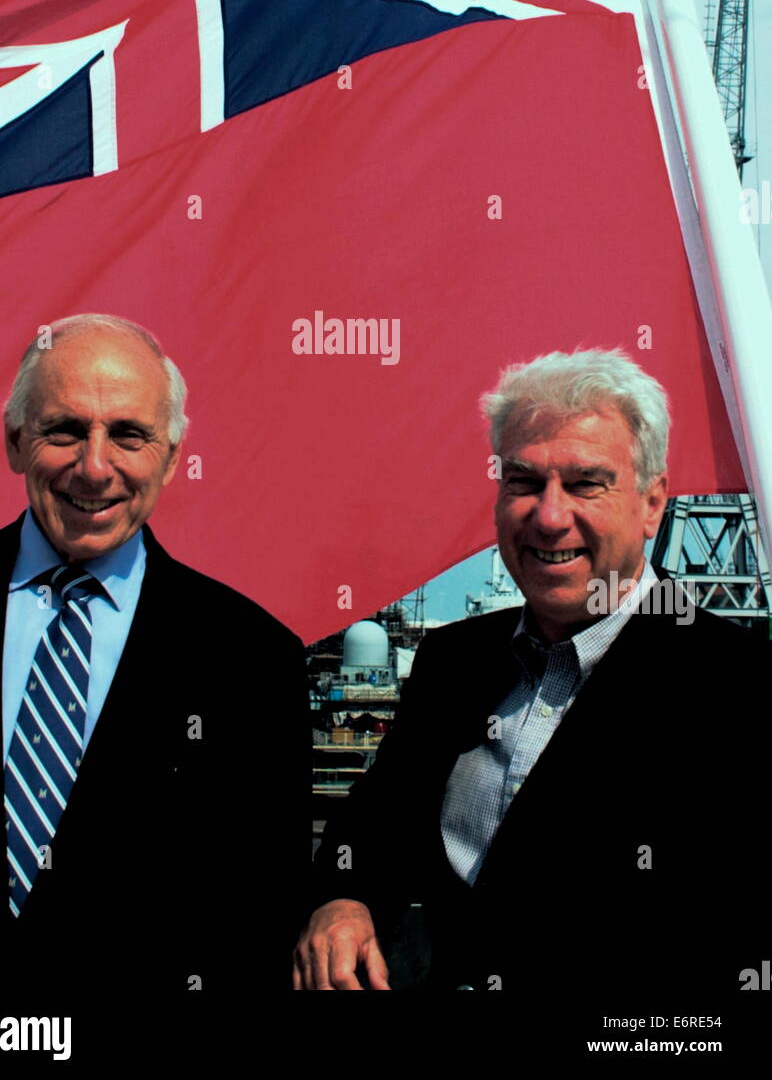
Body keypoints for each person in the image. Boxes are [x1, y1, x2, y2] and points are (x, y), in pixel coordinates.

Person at [295, 349, 769, 1027]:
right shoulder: (455, 660)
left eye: (586, 484)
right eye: (523, 481)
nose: (549, 518)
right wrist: (343, 899)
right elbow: (376, 823)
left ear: (652, 504)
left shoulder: (739, 685)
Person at [0, 314, 309, 1043]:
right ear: (14, 442)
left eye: (129, 435)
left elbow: (257, 920)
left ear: (170, 457)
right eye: (65, 430)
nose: (94, 468)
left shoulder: (251, 660)